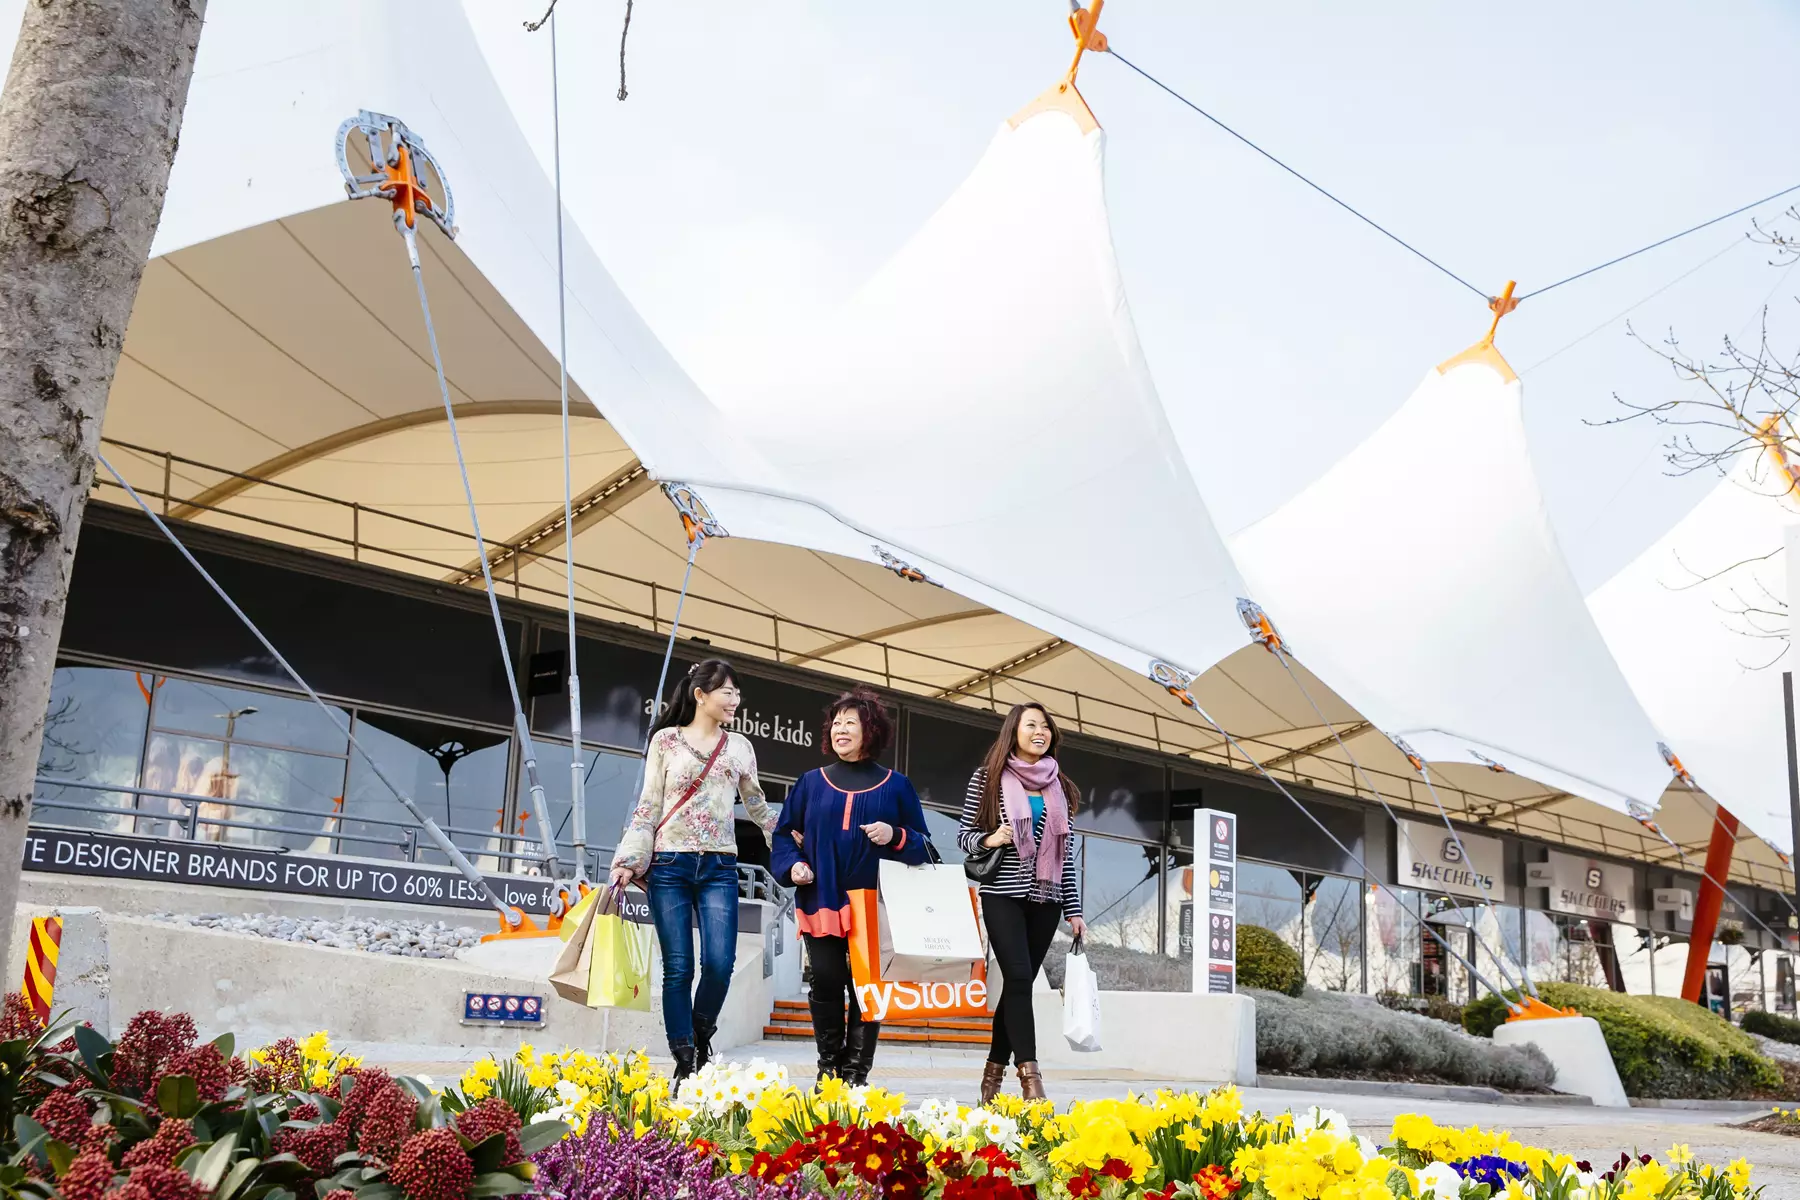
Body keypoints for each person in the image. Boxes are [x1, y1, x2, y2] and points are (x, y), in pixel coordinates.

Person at [610, 659, 774, 1082]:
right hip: (670, 864)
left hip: (720, 865)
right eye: (727, 691)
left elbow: (756, 806)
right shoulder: (665, 741)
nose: (735, 699)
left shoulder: (739, 746)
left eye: (738, 692)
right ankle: (685, 1058)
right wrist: (629, 861)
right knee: (678, 967)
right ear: (701, 695)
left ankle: (700, 1036)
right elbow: (649, 805)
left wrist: (792, 841)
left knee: (720, 963)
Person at [772, 686, 930, 1085]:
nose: (840, 729)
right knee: (825, 979)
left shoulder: (897, 785)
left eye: (850, 722)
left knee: (866, 987)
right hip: (820, 896)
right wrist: (794, 867)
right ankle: (829, 1068)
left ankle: (855, 1074)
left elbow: (925, 847)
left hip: (874, 904)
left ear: (870, 729)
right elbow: (784, 833)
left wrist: (894, 834)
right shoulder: (810, 782)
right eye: (836, 722)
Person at [957, 702, 1085, 1104]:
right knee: (1016, 978)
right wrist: (991, 838)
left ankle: (991, 1075)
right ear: (1014, 731)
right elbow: (963, 836)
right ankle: (1031, 1078)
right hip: (1002, 895)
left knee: (1019, 985)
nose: (1039, 732)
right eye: (1031, 725)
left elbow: (1064, 856)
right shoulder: (989, 779)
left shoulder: (1060, 787)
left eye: (1045, 726)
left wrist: (1074, 910)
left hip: (1045, 899)